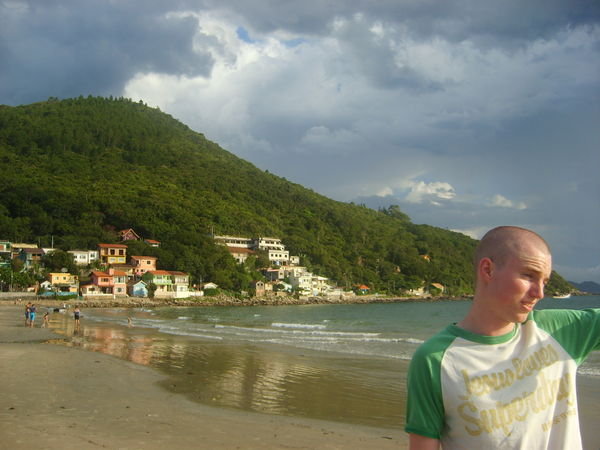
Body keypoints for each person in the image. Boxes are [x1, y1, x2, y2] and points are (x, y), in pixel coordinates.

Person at [405, 226, 600, 449]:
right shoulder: (435, 360)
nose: (540, 293)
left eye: (544, 281)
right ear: (488, 270)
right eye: (528, 276)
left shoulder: (559, 331)